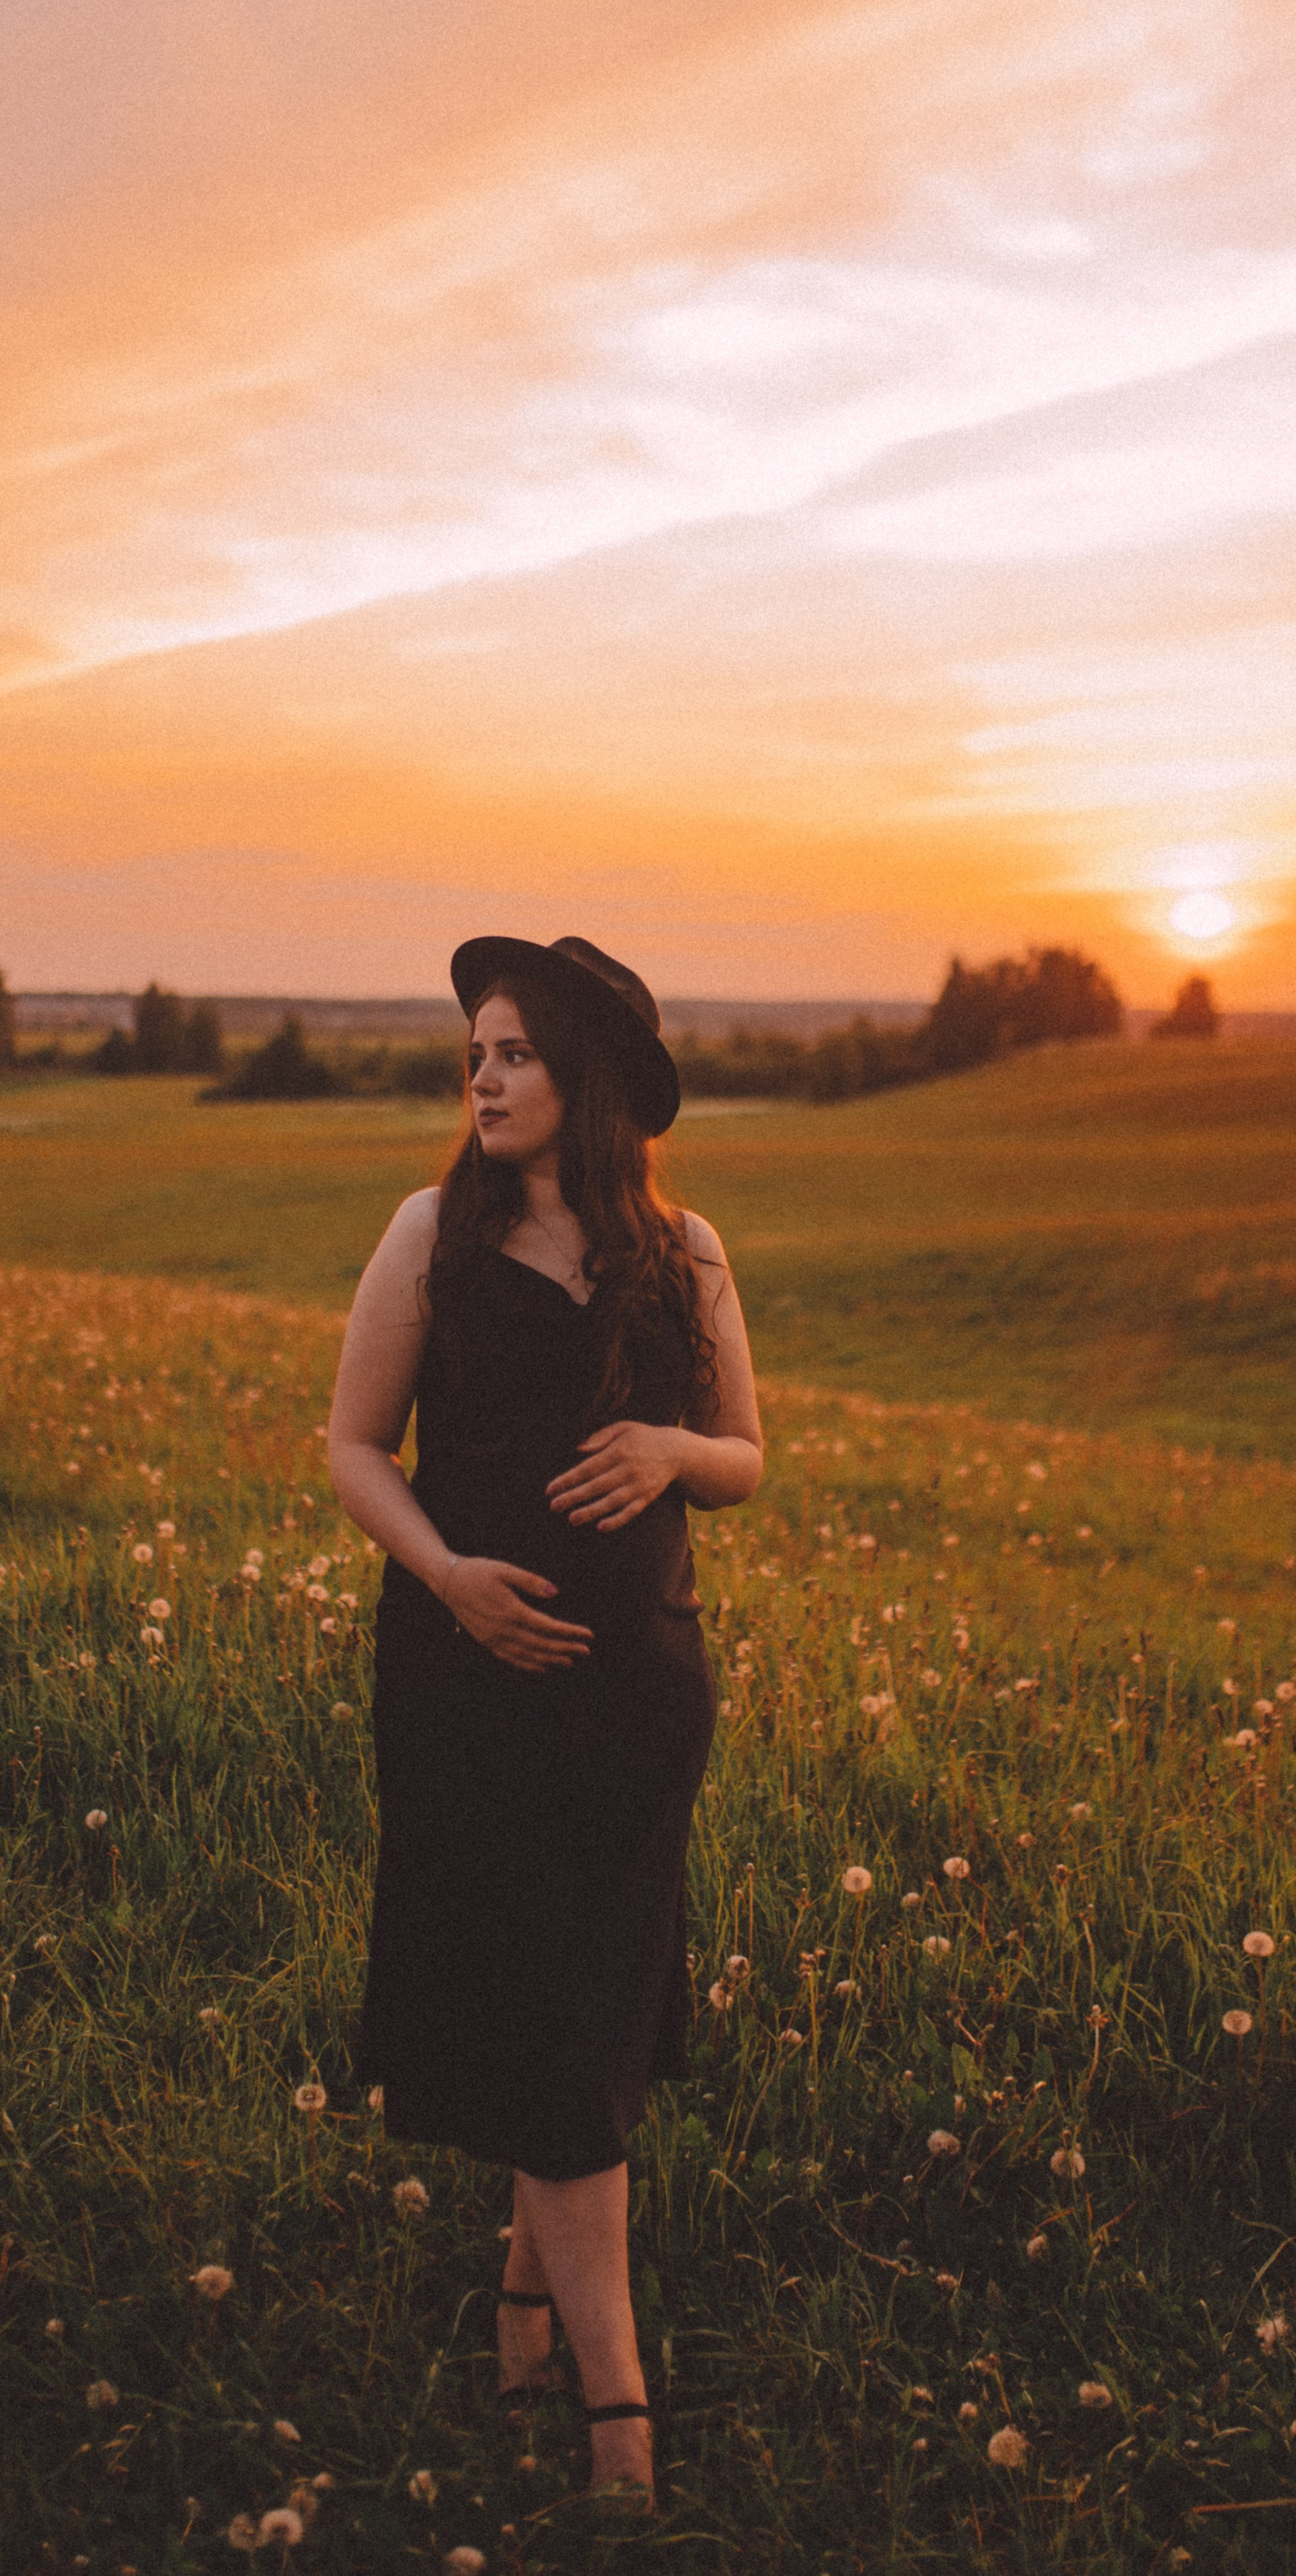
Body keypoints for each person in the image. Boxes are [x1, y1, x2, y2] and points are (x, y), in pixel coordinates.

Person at [327, 934, 764, 2510]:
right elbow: (354, 1447)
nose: (484, 1074)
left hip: (642, 1695)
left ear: (584, 1081)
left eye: (512, 1051)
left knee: (580, 2006)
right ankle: (618, 2408)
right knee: (552, 2013)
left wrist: (663, 1445)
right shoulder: (431, 1233)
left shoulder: (685, 1249)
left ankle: (527, 2303)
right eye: (476, 1051)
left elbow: (746, 1458)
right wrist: (449, 1577)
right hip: (467, 1686)